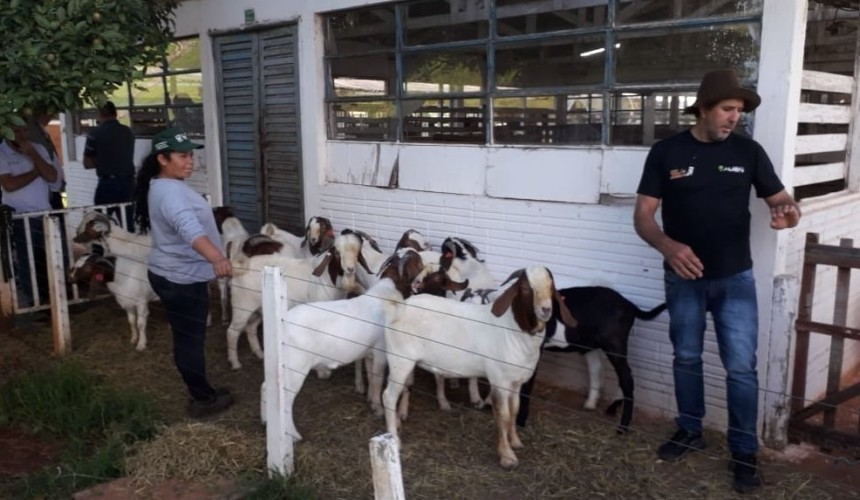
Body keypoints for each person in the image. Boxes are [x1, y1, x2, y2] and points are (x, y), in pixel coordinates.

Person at [633, 69, 801, 494]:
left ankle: (743, 451)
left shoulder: (749, 152)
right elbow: (643, 216)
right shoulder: (666, 152)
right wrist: (669, 248)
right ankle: (689, 429)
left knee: (741, 368)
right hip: (683, 280)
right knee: (686, 357)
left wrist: (788, 211)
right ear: (704, 108)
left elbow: (780, 200)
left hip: (736, 280)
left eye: (739, 112)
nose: (734, 119)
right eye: (728, 110)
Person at [134, 126, 234, 418]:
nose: (190, 161)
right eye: (182, 156)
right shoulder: (170, 193)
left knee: (185, 337)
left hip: (171, 271)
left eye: (191, 155)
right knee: (190, 340)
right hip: (180, 278)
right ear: (162, 159)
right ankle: (202, 399)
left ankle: (201, 391)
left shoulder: (163, 186)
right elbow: (190, 230)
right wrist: (217, 258)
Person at [0, 122, 64, 308]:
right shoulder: (2, 152)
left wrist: (34, 156)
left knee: (50, 259)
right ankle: (35, 302)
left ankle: (55, 300)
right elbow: (9, 185)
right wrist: (37, 172)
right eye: (16, 130)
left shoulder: (38, 149)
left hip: (44, 212)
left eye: (24, 130)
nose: (21, 134)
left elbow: (52, 177)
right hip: (20, 216)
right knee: (27, 261)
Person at [84, 101, 136, 230]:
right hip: (128, 183)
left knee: (99, 224)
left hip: (107, 184)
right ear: (115, 113)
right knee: (128, 225)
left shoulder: (95, 133)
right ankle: (130, 249)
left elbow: (87, 163)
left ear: (100, 114)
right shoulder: (128, 132)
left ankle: (99, 250)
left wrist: (103, 160)